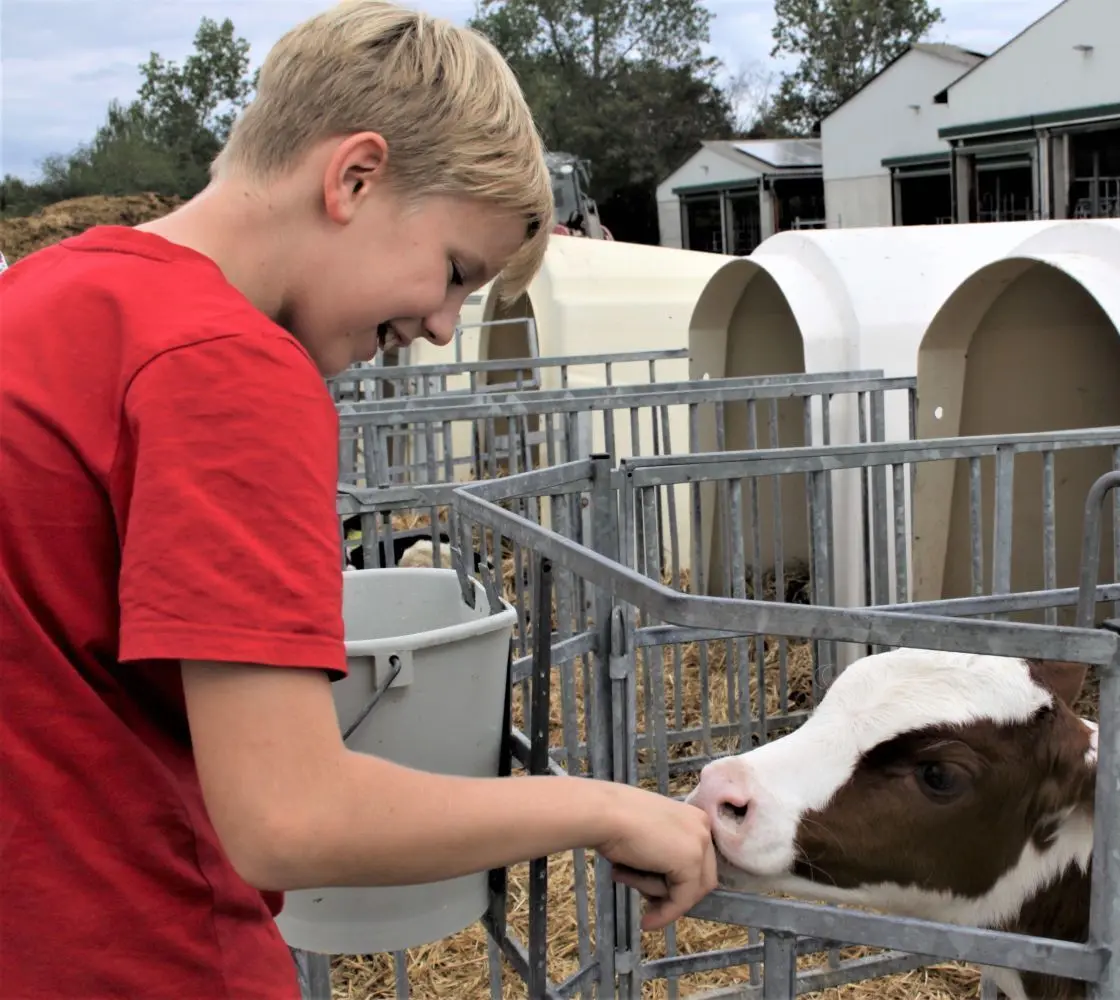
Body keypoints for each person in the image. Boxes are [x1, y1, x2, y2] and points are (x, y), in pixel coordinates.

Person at [0, 3, 716, 998]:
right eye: (456, 272)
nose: (440, 324)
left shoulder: (41, 298)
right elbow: (288, 815)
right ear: (354, 177)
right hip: (139, 951)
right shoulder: (229, 370)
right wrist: (603, 811)